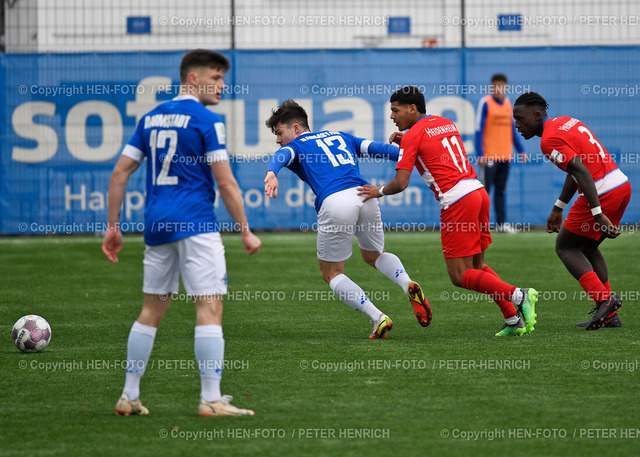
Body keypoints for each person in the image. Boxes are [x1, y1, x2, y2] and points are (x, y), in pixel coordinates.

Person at [102, 49, 261, 417]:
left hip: (157, 226)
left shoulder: (150, 119)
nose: (222, 85)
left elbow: (119, 173)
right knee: (209, 306)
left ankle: (129, 394)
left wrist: (113, 227)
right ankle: (211, 399)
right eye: (216, 77)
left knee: (151, 310)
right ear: (193, 79)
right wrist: (245, 231)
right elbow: (226, 183)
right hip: (196, 225)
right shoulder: (207, 120)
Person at [358, 86, 538, 337]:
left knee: (459, 275)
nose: (392, 116)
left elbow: (400, 183)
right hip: (477, 192)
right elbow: (432, 149)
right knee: (478, 265)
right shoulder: (444, 122)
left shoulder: (413, 135)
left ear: (412, 109)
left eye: (395, 110)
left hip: (457, 201)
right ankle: (512, 319)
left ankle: (519, 296)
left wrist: (377, 191)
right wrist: (407, 141)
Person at [263, 99, 432, 339]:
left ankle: (378, 317)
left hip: (336, 202)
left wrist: (271, 172)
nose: (278, 139)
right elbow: (385, 151)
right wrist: (420, 153)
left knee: (331, 273)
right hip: (365, 195)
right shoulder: (341, 136)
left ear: (297, 128)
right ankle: (407, 283)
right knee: (375, 256)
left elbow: (282, 154)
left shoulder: (298, 144)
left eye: (279, 132)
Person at [513, 92, 631, 330]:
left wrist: (597, 214)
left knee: (565, 246)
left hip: (601, 190)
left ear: (537, 115)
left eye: (520, 118)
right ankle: (608, 315)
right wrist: (559, 207)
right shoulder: (567, 121)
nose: (516, 125)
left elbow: (581, 171)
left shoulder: (548, 141)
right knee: (587, 246)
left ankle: (604, 301)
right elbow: (575, 168)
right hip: (621, 185)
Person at [475, 73, 527, 233]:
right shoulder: (485, 103)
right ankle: (478, 225)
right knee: (484, 191)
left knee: (501, 190)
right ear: (492, 87)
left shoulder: (507, 104)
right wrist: (480, 154)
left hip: (505, 155)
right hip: (490, 156)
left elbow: (512, 129)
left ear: (505, 87)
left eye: (501, 86)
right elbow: (478, 130)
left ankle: (501, 224)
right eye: (495, 86)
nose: (498, 89)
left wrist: (521, 150)